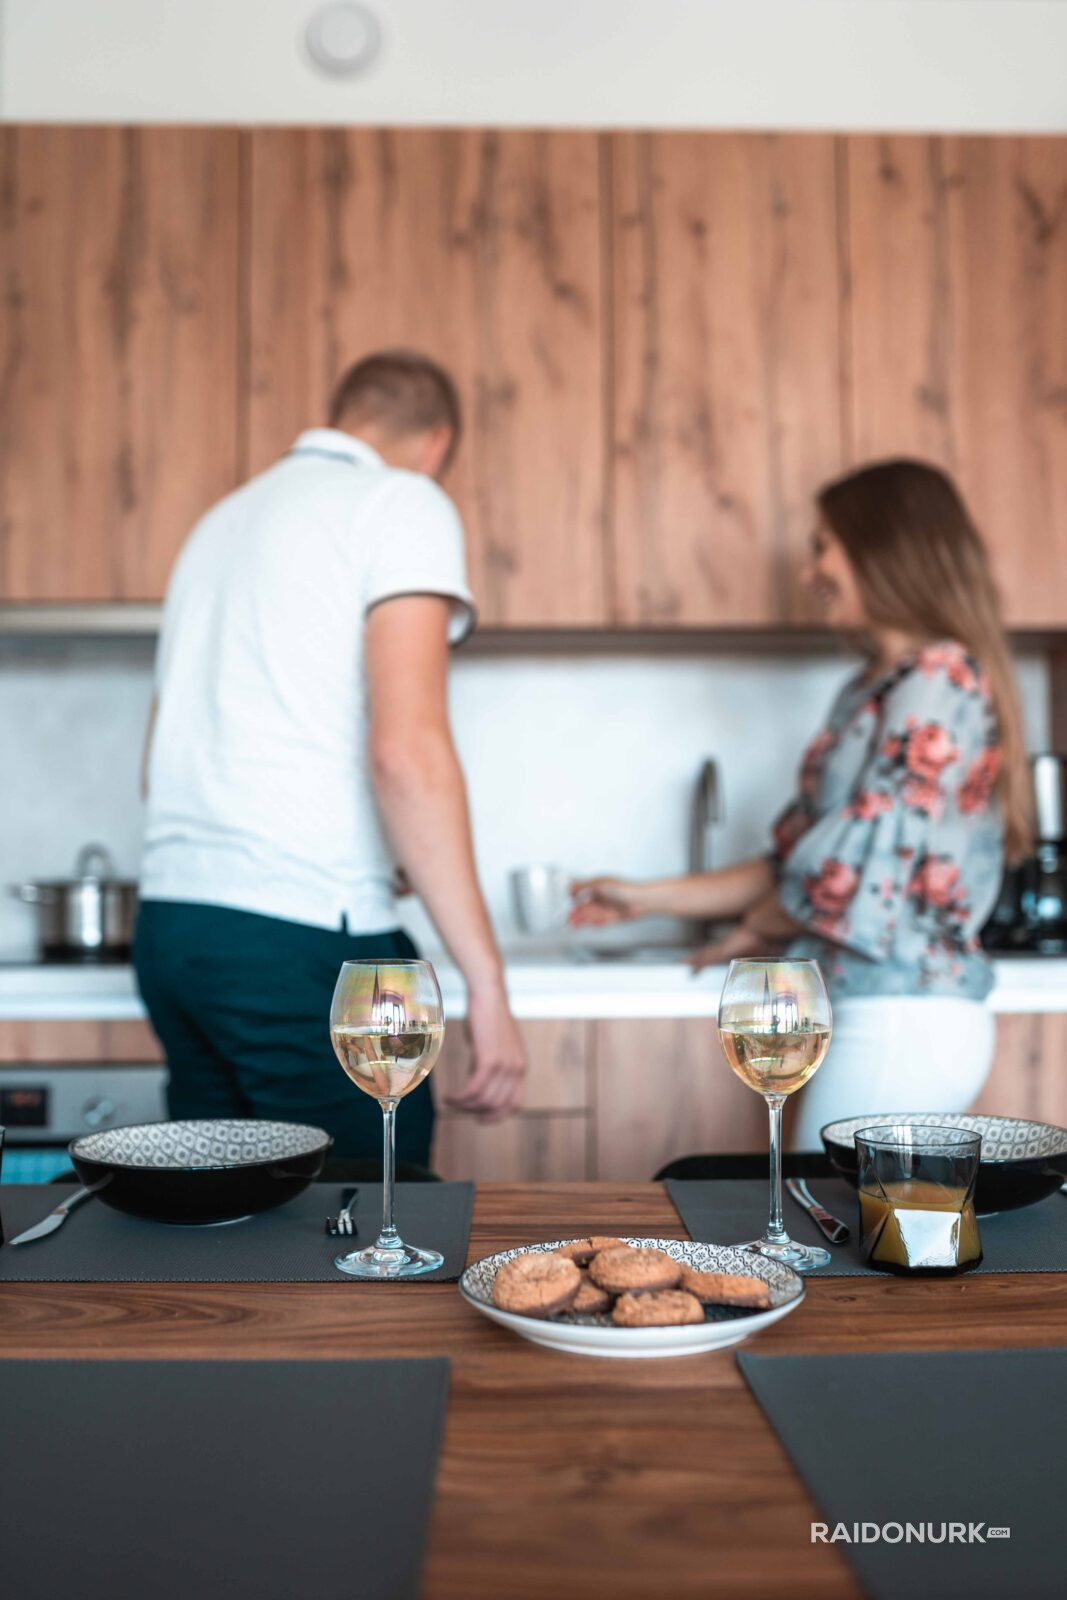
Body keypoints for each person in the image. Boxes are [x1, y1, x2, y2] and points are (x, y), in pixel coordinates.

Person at [134, 349, 526, 1167]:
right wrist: (485, 983)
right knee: (367, 1217)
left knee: (221, 1225)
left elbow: (159, 759)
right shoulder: (400, 499)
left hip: (174, 931)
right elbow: (405, 753)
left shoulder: (219, 525)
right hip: (302, 941)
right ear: (437, 442)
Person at [571, 460, 1031, 1149]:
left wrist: (765, 921)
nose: (808, 570)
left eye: (822, 547)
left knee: (827, 1230)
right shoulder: (870, 689)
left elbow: (853, 865)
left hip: (903, 1014)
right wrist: (643, 898)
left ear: (883, 549)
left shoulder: (939, 680)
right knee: (839, 1230)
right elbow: (798, 857)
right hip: (868, 1005)